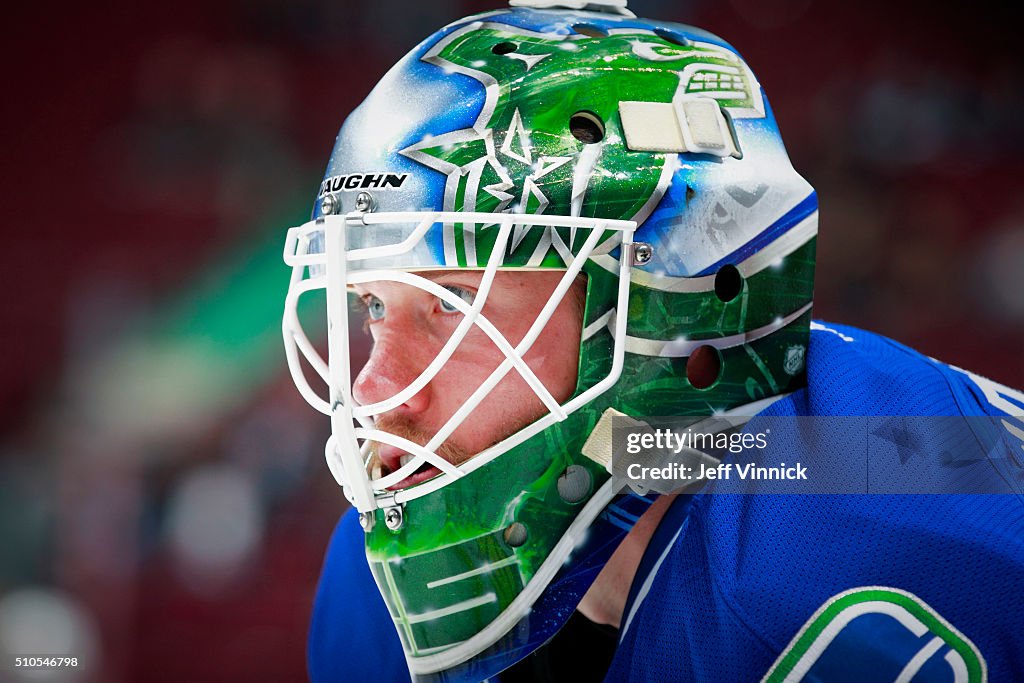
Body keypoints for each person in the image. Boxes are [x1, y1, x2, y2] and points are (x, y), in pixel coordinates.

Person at [281, 1, 1024, 680]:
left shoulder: (846, 556)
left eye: (454, 303)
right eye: (374, 302)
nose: (376, 390)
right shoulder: (373, 585)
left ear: (673, 301)